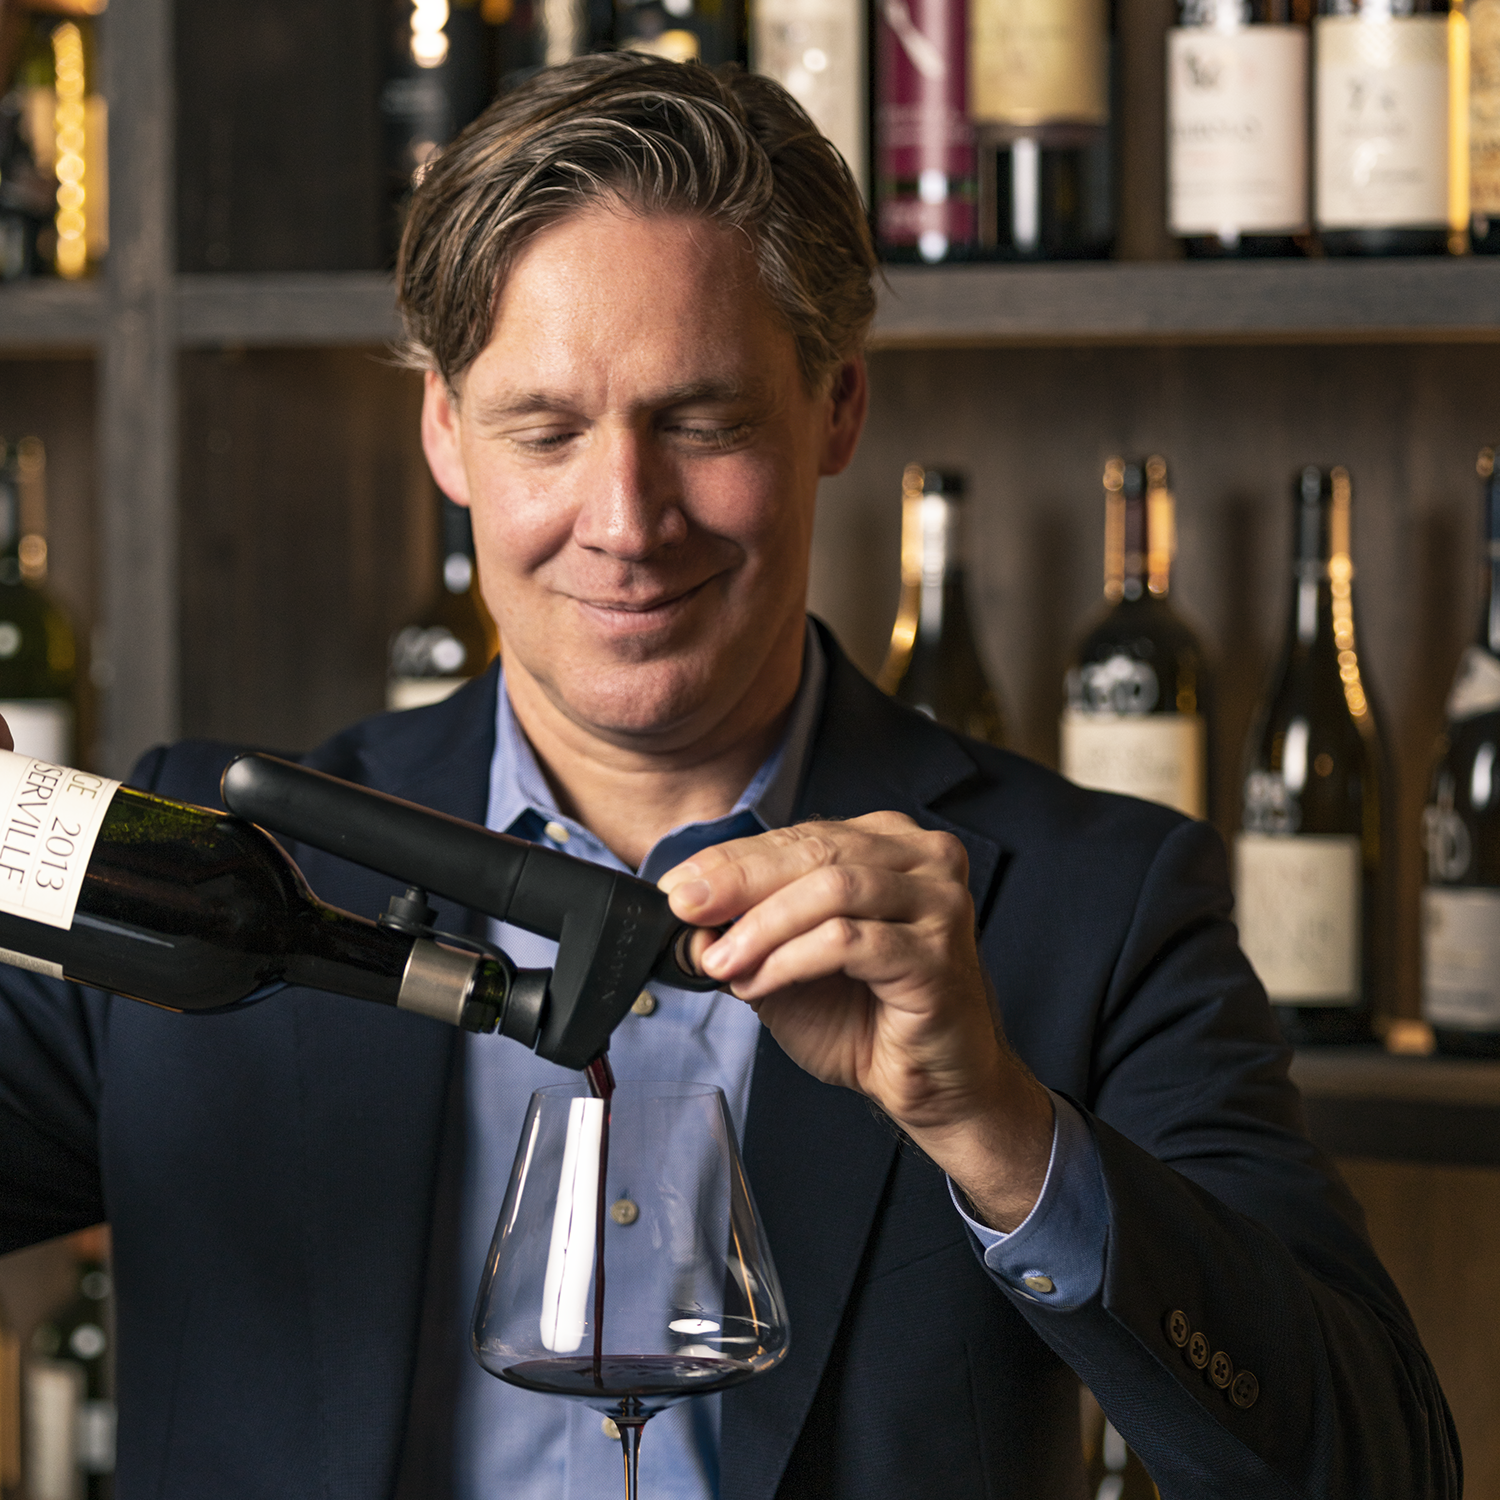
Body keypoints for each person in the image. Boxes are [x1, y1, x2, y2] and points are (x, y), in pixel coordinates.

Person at [0, 54, 1459, 1500]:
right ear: (445, 432)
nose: (626, 519)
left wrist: (998, 1127)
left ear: (837, 412)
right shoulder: (194, 863)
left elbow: (1371, 1463)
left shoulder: (1101, 905)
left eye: (702, 421)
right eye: (547, 430)